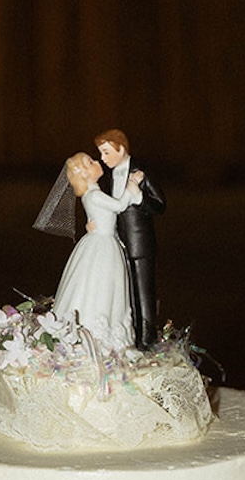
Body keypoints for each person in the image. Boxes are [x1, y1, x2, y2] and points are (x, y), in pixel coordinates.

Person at [50, 151, 143, 352]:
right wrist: (131, 185)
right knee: (101, 285)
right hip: (103, 246)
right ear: (85, 174)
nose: (96, 161)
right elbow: (118, 206)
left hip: (104, 241)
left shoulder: (92, 195)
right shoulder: (94, 195)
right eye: (90, 162)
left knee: (105, 287)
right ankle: (93, 339)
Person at [95, 130, 165, 349]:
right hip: (116, 243)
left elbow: (160, 205)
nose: (103, 159)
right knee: (126, 293)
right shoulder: (107, 177)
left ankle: (147, 340)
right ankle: (131, 335)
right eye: (101, 154)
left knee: (144, 293)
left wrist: (140, 198)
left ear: (121, 148)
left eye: (106, 153)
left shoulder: (140, 173)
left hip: (140, 243)